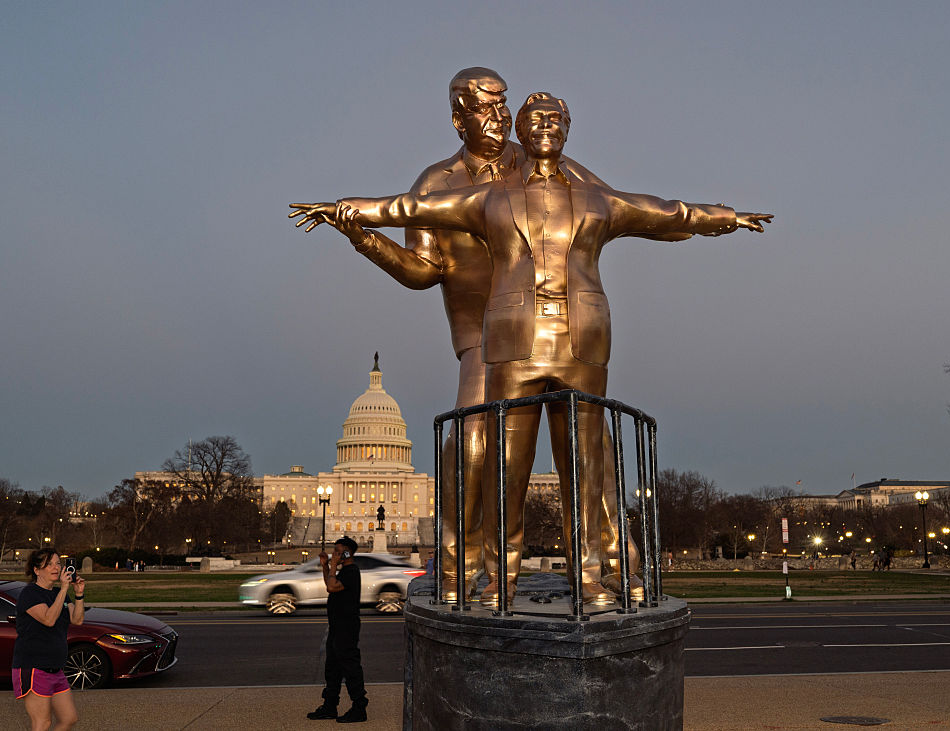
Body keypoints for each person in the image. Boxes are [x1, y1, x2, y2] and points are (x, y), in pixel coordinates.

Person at [294, 91, 771, 606]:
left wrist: (725, 217)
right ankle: (493, 573)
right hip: (504, 338)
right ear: (465, 119)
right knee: (500, 463)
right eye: (525, 117)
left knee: (588, 460)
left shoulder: (593, 194)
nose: (535, 125)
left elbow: (664, 213)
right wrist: (351, 218)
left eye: (551, 119)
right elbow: (411, 211)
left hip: (581, 337)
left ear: (566, 130)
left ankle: (597, 570)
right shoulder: (483, 195)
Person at [13, 548, 86, 731]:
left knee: (69, 718)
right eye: (49, 564)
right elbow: (48, 619)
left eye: (57, 563)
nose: (56, 567)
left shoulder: (59, 593)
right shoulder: (30, 593)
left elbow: (77, 620)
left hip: (56, 668)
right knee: (42, 723)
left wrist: (78, 594)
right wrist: (62, 589)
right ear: (37, 570)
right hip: (34, 667)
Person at [308, 537, 368, 723]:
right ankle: (329, 706)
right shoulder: (343, 571)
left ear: (347, 553)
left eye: (337, 551)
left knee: (350, 667)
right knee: (332, 668)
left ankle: (359, 707)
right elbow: (329, 585)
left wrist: (333, 565)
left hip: (346, 626)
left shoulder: (351, 572)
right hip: (337, 625)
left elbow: (333, 587)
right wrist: (326, 566)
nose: (334, 554)